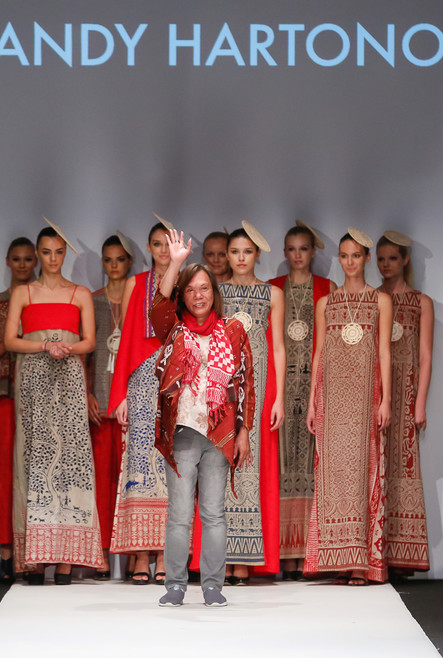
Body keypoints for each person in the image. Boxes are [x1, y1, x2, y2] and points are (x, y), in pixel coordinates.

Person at [153, 231, 255, 608]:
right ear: (183, 296)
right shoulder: (174, 330)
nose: (199, 295)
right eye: (191, 290)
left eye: (204, 288)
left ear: (214, 291)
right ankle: (176, 585)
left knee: (214, 513)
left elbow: (246, 383)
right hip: (183, 432)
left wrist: (244, 431)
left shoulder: (233, 330)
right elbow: (158, 306)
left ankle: (213, 586)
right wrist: (175, 262)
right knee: (180, 514)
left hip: (219, 433)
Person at [4, 224, 104, 584]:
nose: (52, 259)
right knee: (34, 458)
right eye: (46, 252)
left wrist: (66, 347)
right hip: (33, 379)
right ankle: (36, 557)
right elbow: (10, 340)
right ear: (38, 254)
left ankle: (66, 559)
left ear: (65, 254)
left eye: (58, 252)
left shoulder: (80, 294)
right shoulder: (23, 292)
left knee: (70, 460)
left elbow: (90, 341)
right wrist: (45, 346)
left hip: (69, 377)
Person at [305, 228, 392, 584]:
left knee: (362, 475)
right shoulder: (326, 303)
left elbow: (384, 352)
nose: (350, 261)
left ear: (367, 258)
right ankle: (339, 558)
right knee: (333, 478)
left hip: (364, 400)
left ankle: (361, 563)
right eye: (344, 255)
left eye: (356, 255)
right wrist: (312, 402)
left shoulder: (380, 301)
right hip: (331, 400)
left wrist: (386, 400)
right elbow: (319, 354)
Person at [210, 223, 285, 584]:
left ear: (257, 255)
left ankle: (245, 562)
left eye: (247, 252)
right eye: (234, 252)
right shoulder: (216, 292)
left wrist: (279, 397)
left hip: (260, 389)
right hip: (222, 389)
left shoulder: (272, 294)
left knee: (253, 465)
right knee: (219, 465)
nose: (240, 258)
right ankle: (221, 558)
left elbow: (279, 348)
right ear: (227, 255)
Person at [107, 222, 173, 584]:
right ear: (148, 247)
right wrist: (120, 394)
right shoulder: (137, 283)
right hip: (142, 379)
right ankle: (141, 555)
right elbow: (129, 338)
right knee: (139, 465)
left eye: (167, 244)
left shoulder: (184, 281)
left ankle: (165, 555)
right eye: (157, 244)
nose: (163, 251)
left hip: (175, 379)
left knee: (170, 463)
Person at [268, 222, 334, 579]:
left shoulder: (327, 288)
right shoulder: (272, 288)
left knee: (310, 467)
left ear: (313, 252)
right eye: (291, 249)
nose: (297, 255)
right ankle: (280, 552)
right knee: (279, 465)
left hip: (313, 388)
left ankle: (306, 553)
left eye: (303, 249)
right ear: (284, 252)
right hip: (279, 388)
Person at [0, 236, 37, 583]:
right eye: (17, 259)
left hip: (40, 394)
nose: (23, 265)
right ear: (7, 261)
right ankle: (6, 551)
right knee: (4, 471)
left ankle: (33, 550)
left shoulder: (40, 298)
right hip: (5, 391)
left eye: (28, 259)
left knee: (35, 470)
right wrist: (13, 339)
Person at [376, 230, 434, 574]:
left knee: (403, 467)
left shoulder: (421, 302)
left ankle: (401, 555)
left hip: (406, 393)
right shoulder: (372, 299)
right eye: (381, 259)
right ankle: (375, 554)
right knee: (376, 466)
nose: (386, 265)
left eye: (392, 258)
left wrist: (420, 403)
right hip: (375, 393)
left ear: (405, 260)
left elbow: (425, 357)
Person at [87, 234, 133, 579]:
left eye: (119, 259)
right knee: (102, 481)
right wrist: (87, 392)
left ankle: (132, 554)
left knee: (130, 482)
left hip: (130, 403)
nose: (113, 265)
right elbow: (85, 353)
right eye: (108, 259)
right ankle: (101, 553)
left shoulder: (138, 301)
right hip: (100, 401)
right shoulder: (92, 301)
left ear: (130, 262)